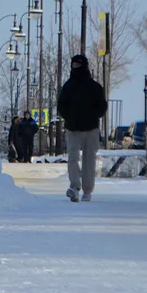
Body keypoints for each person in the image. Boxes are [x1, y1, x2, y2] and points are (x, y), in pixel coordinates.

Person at [57, 53, 108, 202]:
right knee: (72, 158)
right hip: (73, 127)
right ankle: (74, 187)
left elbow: (102, 106)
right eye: (73, 65)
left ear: (84, 66)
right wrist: (69, 116)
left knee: (89, 159)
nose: (75, 68)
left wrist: (93, 115)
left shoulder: (94, 87)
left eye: (78, 65)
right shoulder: (68, 86)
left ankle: (87, 189)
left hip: (91, 128)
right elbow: (61, 105)